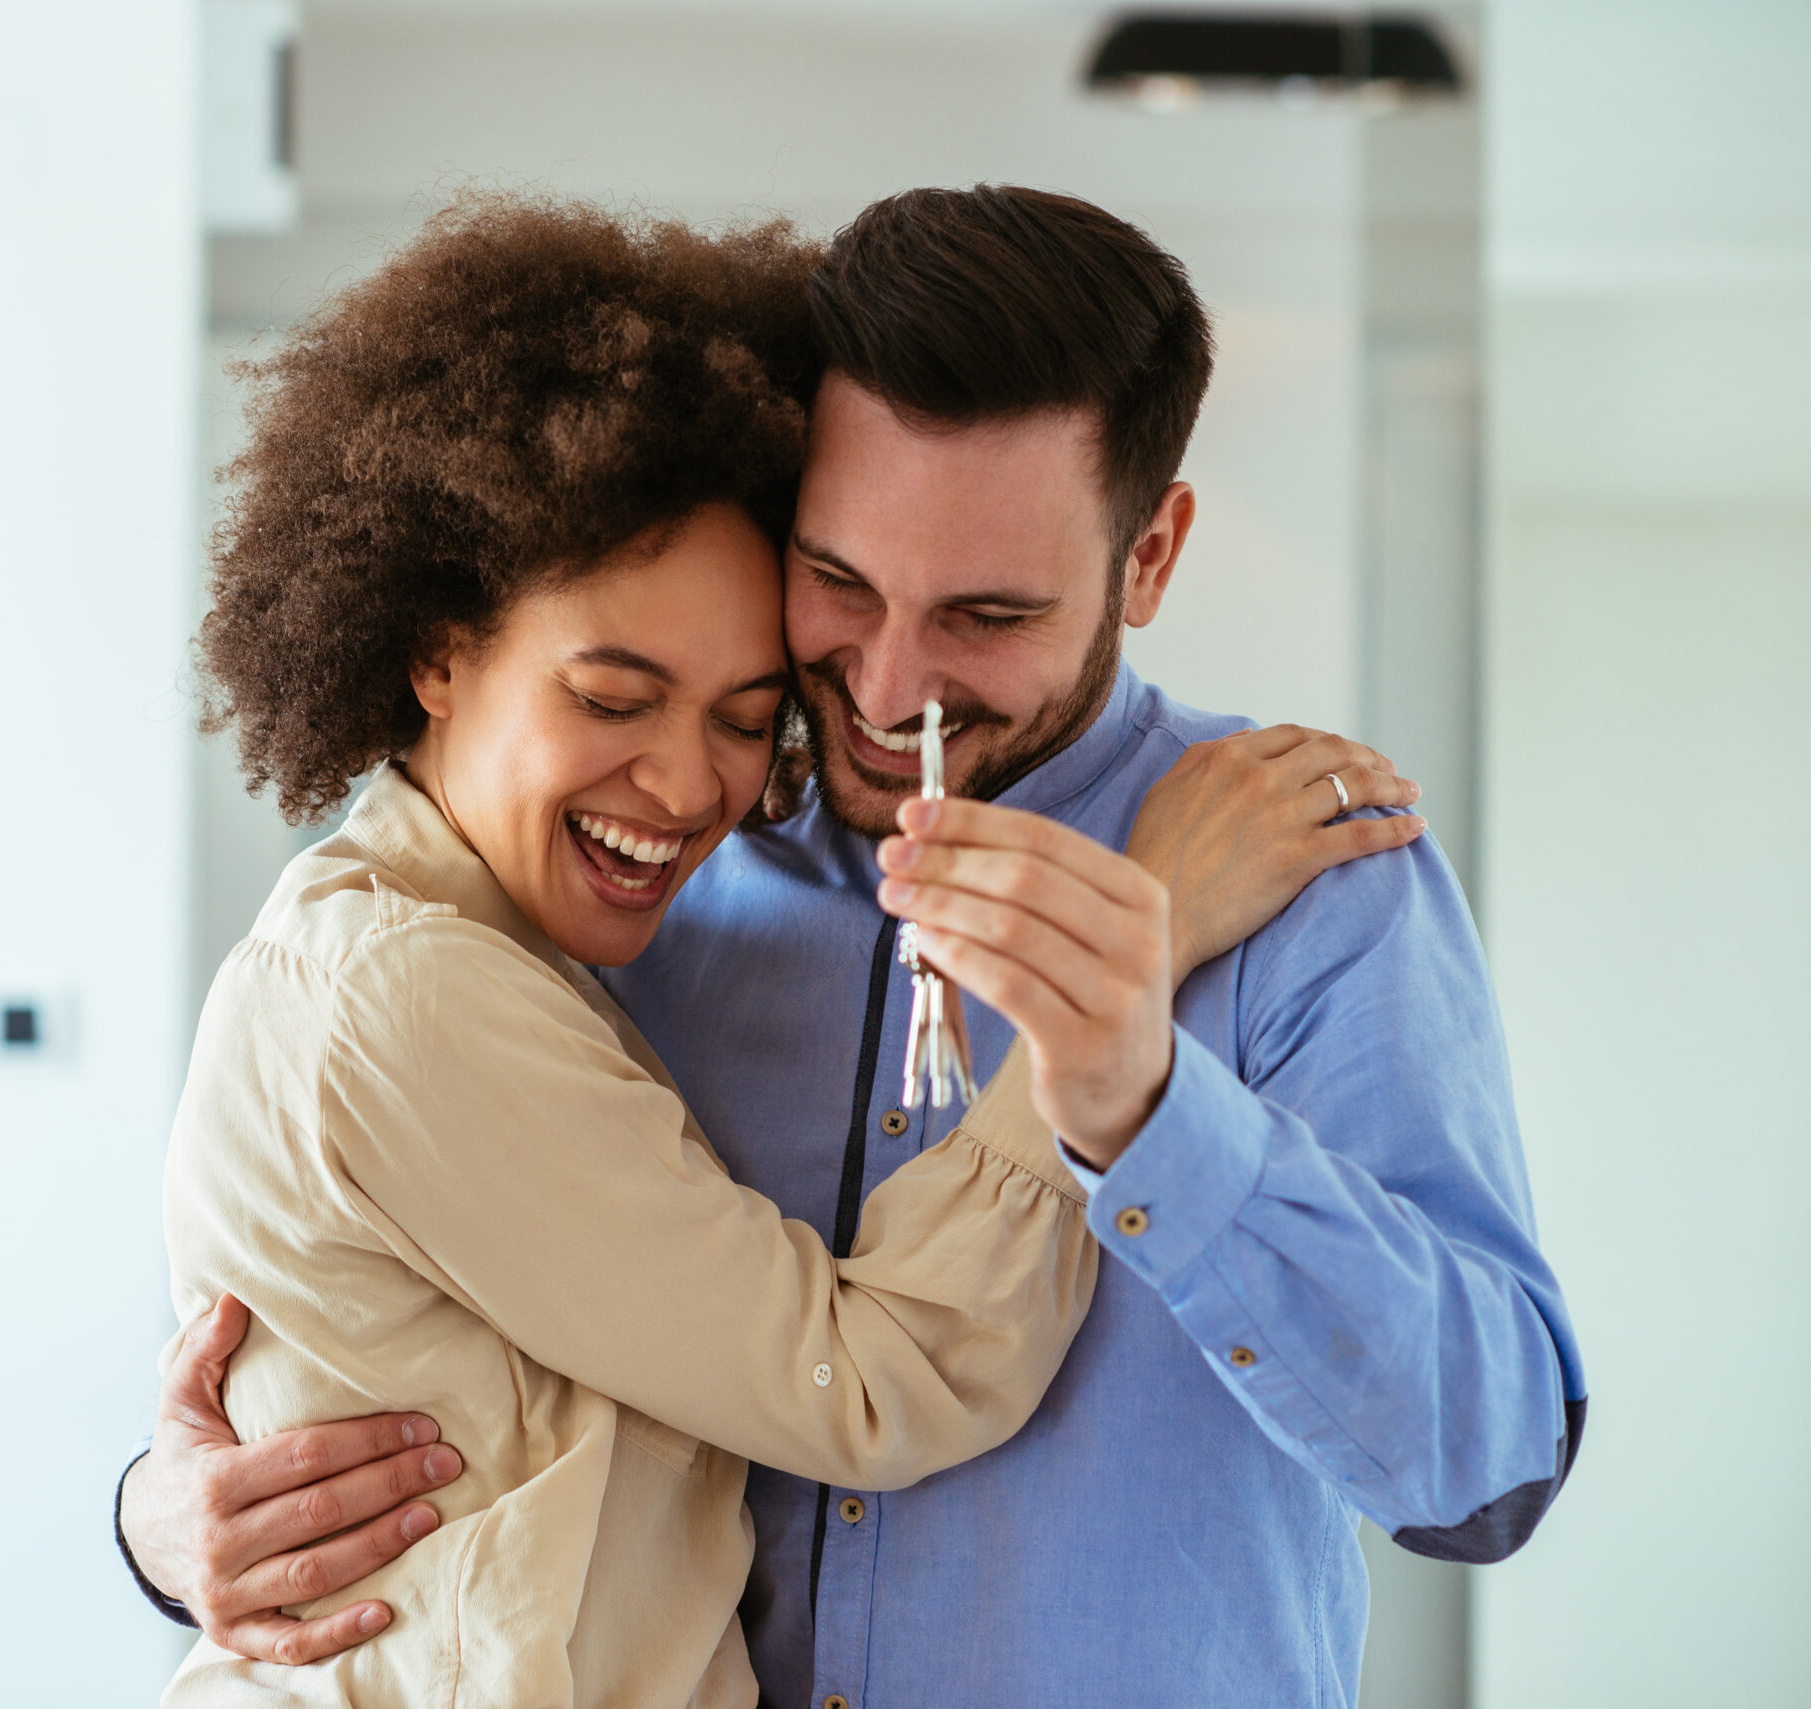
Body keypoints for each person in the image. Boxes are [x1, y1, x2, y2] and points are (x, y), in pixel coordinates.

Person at [124, 186, 1568, 1709]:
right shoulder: (640, 873)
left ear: (1150, 559)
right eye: (841, 581)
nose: (888, 684)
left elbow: (1484, 1475)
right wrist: (165, 1512)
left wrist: (1151, 1110)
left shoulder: (1309, 882)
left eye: (986, 613)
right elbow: (422, 1357)